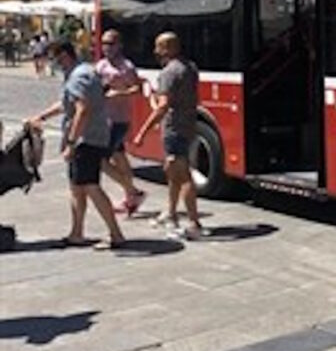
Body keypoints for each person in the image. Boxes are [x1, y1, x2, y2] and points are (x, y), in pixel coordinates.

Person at [27, 39, 125, 250]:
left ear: (64, 56)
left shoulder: (77, 77)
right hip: (93, 136)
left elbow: (83, 109)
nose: (53, 64)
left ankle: (116, 234)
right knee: (77, 187)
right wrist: (41, 116)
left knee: (90, 186)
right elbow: (66, 104)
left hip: (85, 139)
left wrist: (71, 142)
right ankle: (76, 233)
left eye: (54, 59)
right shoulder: (84, 71)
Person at [133, 31, 206, 240]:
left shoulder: (168, 73)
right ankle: (172, 214)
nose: (156, 51)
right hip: (188, 125)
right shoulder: (190, 68)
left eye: (159, 47)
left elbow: (163, 106)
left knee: (182, 175)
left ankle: (194, 222)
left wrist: (142, 132)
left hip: (174, 129)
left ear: (167, 49)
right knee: (172, 171)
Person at [95, 29, 147, 215]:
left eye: (110, 43)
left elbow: (138, 90)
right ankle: (130, 196)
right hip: (103, 119)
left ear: (119, 45)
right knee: (119, 157)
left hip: (118, 120)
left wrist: (120, 93)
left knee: (100, 160)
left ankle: (134, 192)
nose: (106, 47)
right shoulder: (100, 66)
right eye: (104, 43)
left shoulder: (126, 67)